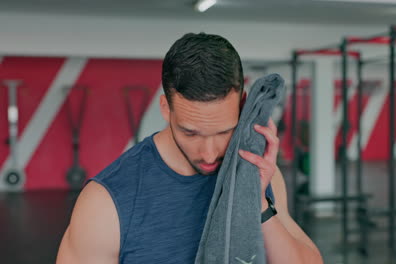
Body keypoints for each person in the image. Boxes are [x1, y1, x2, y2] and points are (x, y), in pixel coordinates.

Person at [56, 32, 323, 264]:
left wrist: (258, 204)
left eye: (224, 132)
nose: (209, 153)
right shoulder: (105, 203)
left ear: (243, 106)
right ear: (165, 108)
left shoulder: (258, 173)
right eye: (190, 132)